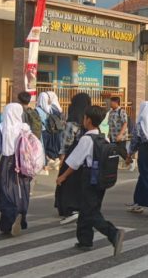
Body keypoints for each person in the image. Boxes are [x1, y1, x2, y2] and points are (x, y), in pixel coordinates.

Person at [56, 106, 125, 255]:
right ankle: (85, 241)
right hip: (102, 179)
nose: (83, 120)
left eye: (85, 118)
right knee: (87, 208)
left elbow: (74, 163)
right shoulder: (103, 137)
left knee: (90, 212)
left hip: (89, 179)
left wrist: (63, 176)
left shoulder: (86, 139)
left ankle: (113, 233)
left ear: (88, 120)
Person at [0, 103, 35, 236]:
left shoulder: (2, 128)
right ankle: (18, 216)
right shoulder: (25, 128)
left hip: (7, 163)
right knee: (22, 191)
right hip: (23, 163)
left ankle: (10, 218)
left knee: (5, 192)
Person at [55, 93, 91, 225]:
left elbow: (66, 142)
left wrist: (62, 158)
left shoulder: (72, 120)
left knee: (67, 181)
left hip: (71, 155)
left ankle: (68, 207)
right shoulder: (88, 120)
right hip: (84, 156)